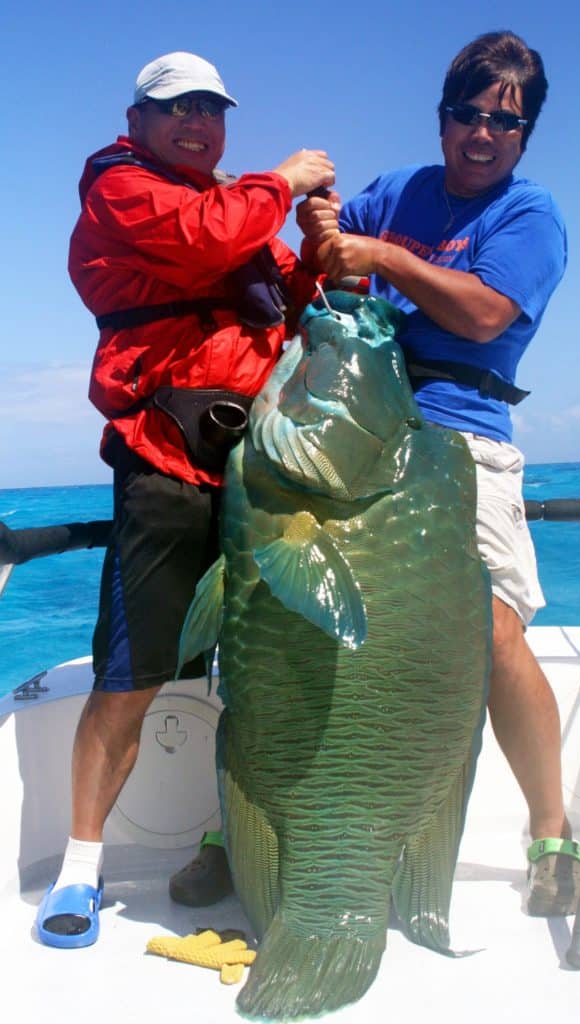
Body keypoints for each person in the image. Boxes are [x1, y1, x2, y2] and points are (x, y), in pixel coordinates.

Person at [35, 50, 334, 948]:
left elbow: (293, 296)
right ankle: (81, 870)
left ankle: (227, 841)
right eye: (176, 108)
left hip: (259, 478)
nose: (197, 121)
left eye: (212, 108)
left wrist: (322, 249)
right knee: (132, 676)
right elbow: (207, 235)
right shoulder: (125, 189)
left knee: (262, 666)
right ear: (137, 122)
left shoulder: (244, 215)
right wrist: (285, 179)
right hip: (162, 469)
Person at [296, 30, 580, 917]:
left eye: (505, 121)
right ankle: (257, 823)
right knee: (302, 618)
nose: (482, 133)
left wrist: (381, 257)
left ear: (525, 134)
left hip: (462, 437)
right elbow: (323, 260)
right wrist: (321, 232)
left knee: (496, 633)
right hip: (358, 426)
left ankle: (550, 831)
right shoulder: (397, 189)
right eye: (467, 114)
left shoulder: (527, 216)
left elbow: (483, 314)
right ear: (442, 118)